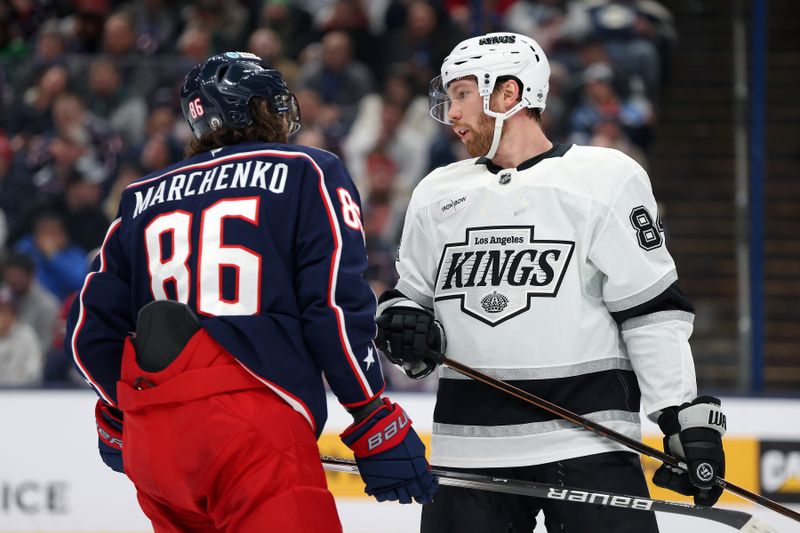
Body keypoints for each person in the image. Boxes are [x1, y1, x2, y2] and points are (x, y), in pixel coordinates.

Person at [65, 51, 435, 533]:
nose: (281, 114)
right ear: (249, 110)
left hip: (156, 440)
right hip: (255, 425)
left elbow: (88, 331)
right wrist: (369, 412)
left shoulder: (140, 196)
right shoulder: (308, 169)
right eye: (270, 103)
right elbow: (332, 305)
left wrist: (119, 408)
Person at [375, 32, 726, 533]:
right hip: (469, 445)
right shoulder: (436, 191)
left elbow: (650, 310)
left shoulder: (604, 178)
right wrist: (399, 322)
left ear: (507, 94)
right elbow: (410, 299)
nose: (450, 113)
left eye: (461, 94)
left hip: (588, 442)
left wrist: (678, 417)